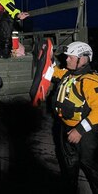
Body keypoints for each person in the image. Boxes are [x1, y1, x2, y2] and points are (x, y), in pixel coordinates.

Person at [51, 41, 98, 193]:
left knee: (90, 166)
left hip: (85, 133)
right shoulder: (68, 74)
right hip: (65, 128)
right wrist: (45, 55)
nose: (67, 60)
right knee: (69, 165)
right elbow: (50, 71)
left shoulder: (90, 81)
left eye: (70, 57)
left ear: (83, 59)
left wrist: (80, 130)